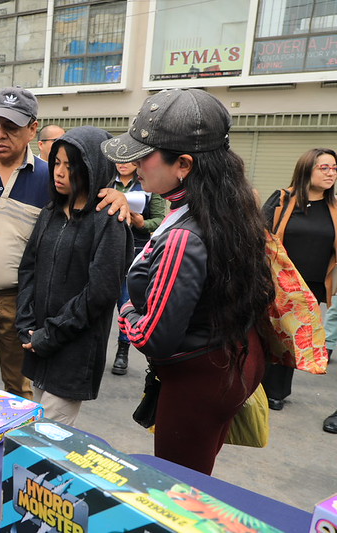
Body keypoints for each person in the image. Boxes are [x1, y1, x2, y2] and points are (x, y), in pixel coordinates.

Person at [101, 88, 274, 475]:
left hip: (197, 379)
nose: (135, 164)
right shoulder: (225, 205)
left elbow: (152, 338)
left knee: (179, 488)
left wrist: (125, 300)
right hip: (231, 358)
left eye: (144, 155)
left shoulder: (184, 234)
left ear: (183, 164)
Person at [0, 87, 130, 399]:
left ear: (32, 130)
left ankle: (15, 447)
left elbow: (88, 198)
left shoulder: (51, 176)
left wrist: (115, 193)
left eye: (10, 127)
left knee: (20, 389)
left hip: (21, 304)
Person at [17, 126, 132, 426]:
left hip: (72, 353)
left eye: (71, 166)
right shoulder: (50, 212)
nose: (59, 172)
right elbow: (28, 267)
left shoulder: (108, 220)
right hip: (38, 343)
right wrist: (26, 323)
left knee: (45, 438)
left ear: (93, 168)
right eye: (57, 163)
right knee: (32, 428)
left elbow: (101, 293)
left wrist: (50, 334)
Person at [260, 148, 337, 417]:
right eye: (324, 168)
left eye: (334, 168)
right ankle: (254, 386)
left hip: (310, 288)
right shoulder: (283, 199)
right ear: (307, 170)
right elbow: (260, 234)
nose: (331, 173)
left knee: (293, 336)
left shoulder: (334, 208)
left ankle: (277, 392)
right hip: (277, 284)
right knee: (265, 333)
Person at [109, 161, 166, 375]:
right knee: (99, 300)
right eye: (118, 160)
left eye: (128, 160)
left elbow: (161, 220)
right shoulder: (106, 182)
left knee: (127, 301)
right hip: (108, 247)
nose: (122, 164)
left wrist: (143, 224)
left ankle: (122, 350)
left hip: (135, 249)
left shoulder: (148, 185)